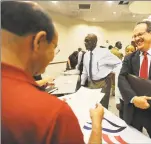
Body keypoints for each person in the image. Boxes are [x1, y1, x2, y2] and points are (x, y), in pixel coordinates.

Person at [2, 1, 104, 144]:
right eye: (54, 47)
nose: (53, 55)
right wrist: (97, 124)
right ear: (39, 41)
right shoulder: (55, 114)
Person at [81, 34, 122, 109]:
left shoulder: (104, 52)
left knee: (102, 107)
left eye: (87, 41)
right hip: (91, 83)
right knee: (93, 105)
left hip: (103, 83)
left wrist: (112, 72)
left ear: (94, 42)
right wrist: (82, 84)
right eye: (84, 41)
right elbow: (84, 71)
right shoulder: (86, 55)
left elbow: (119, 63)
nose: (85, 43)